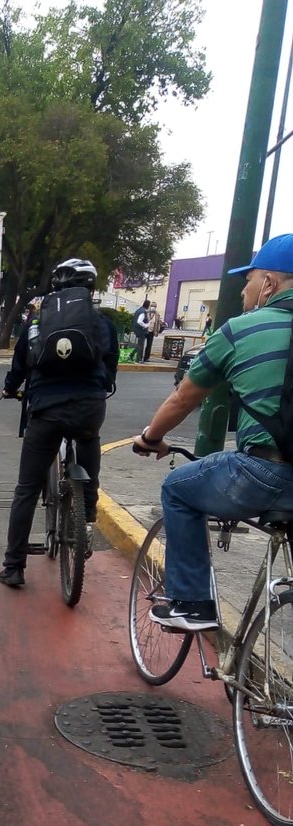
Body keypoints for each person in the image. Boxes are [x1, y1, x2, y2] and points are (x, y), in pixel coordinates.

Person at [132, 233, 293, 631]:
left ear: (270, 283)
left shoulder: (242, 330)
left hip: (264, 473)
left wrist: (151, 438)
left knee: (178, 489)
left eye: (249, 281)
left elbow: (183, 400)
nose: (244, 291)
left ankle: (192, 604)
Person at [0, 258, 119, 589]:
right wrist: (96, 387)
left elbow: (20, 364)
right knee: (89, 438)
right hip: (88, 406)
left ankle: (13, 566)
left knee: (27, 488)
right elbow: (110, 367)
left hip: (46, 409)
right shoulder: (102, 323)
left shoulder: (37, 323)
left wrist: (10, 388)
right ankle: (88, 509)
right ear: (90, 289)